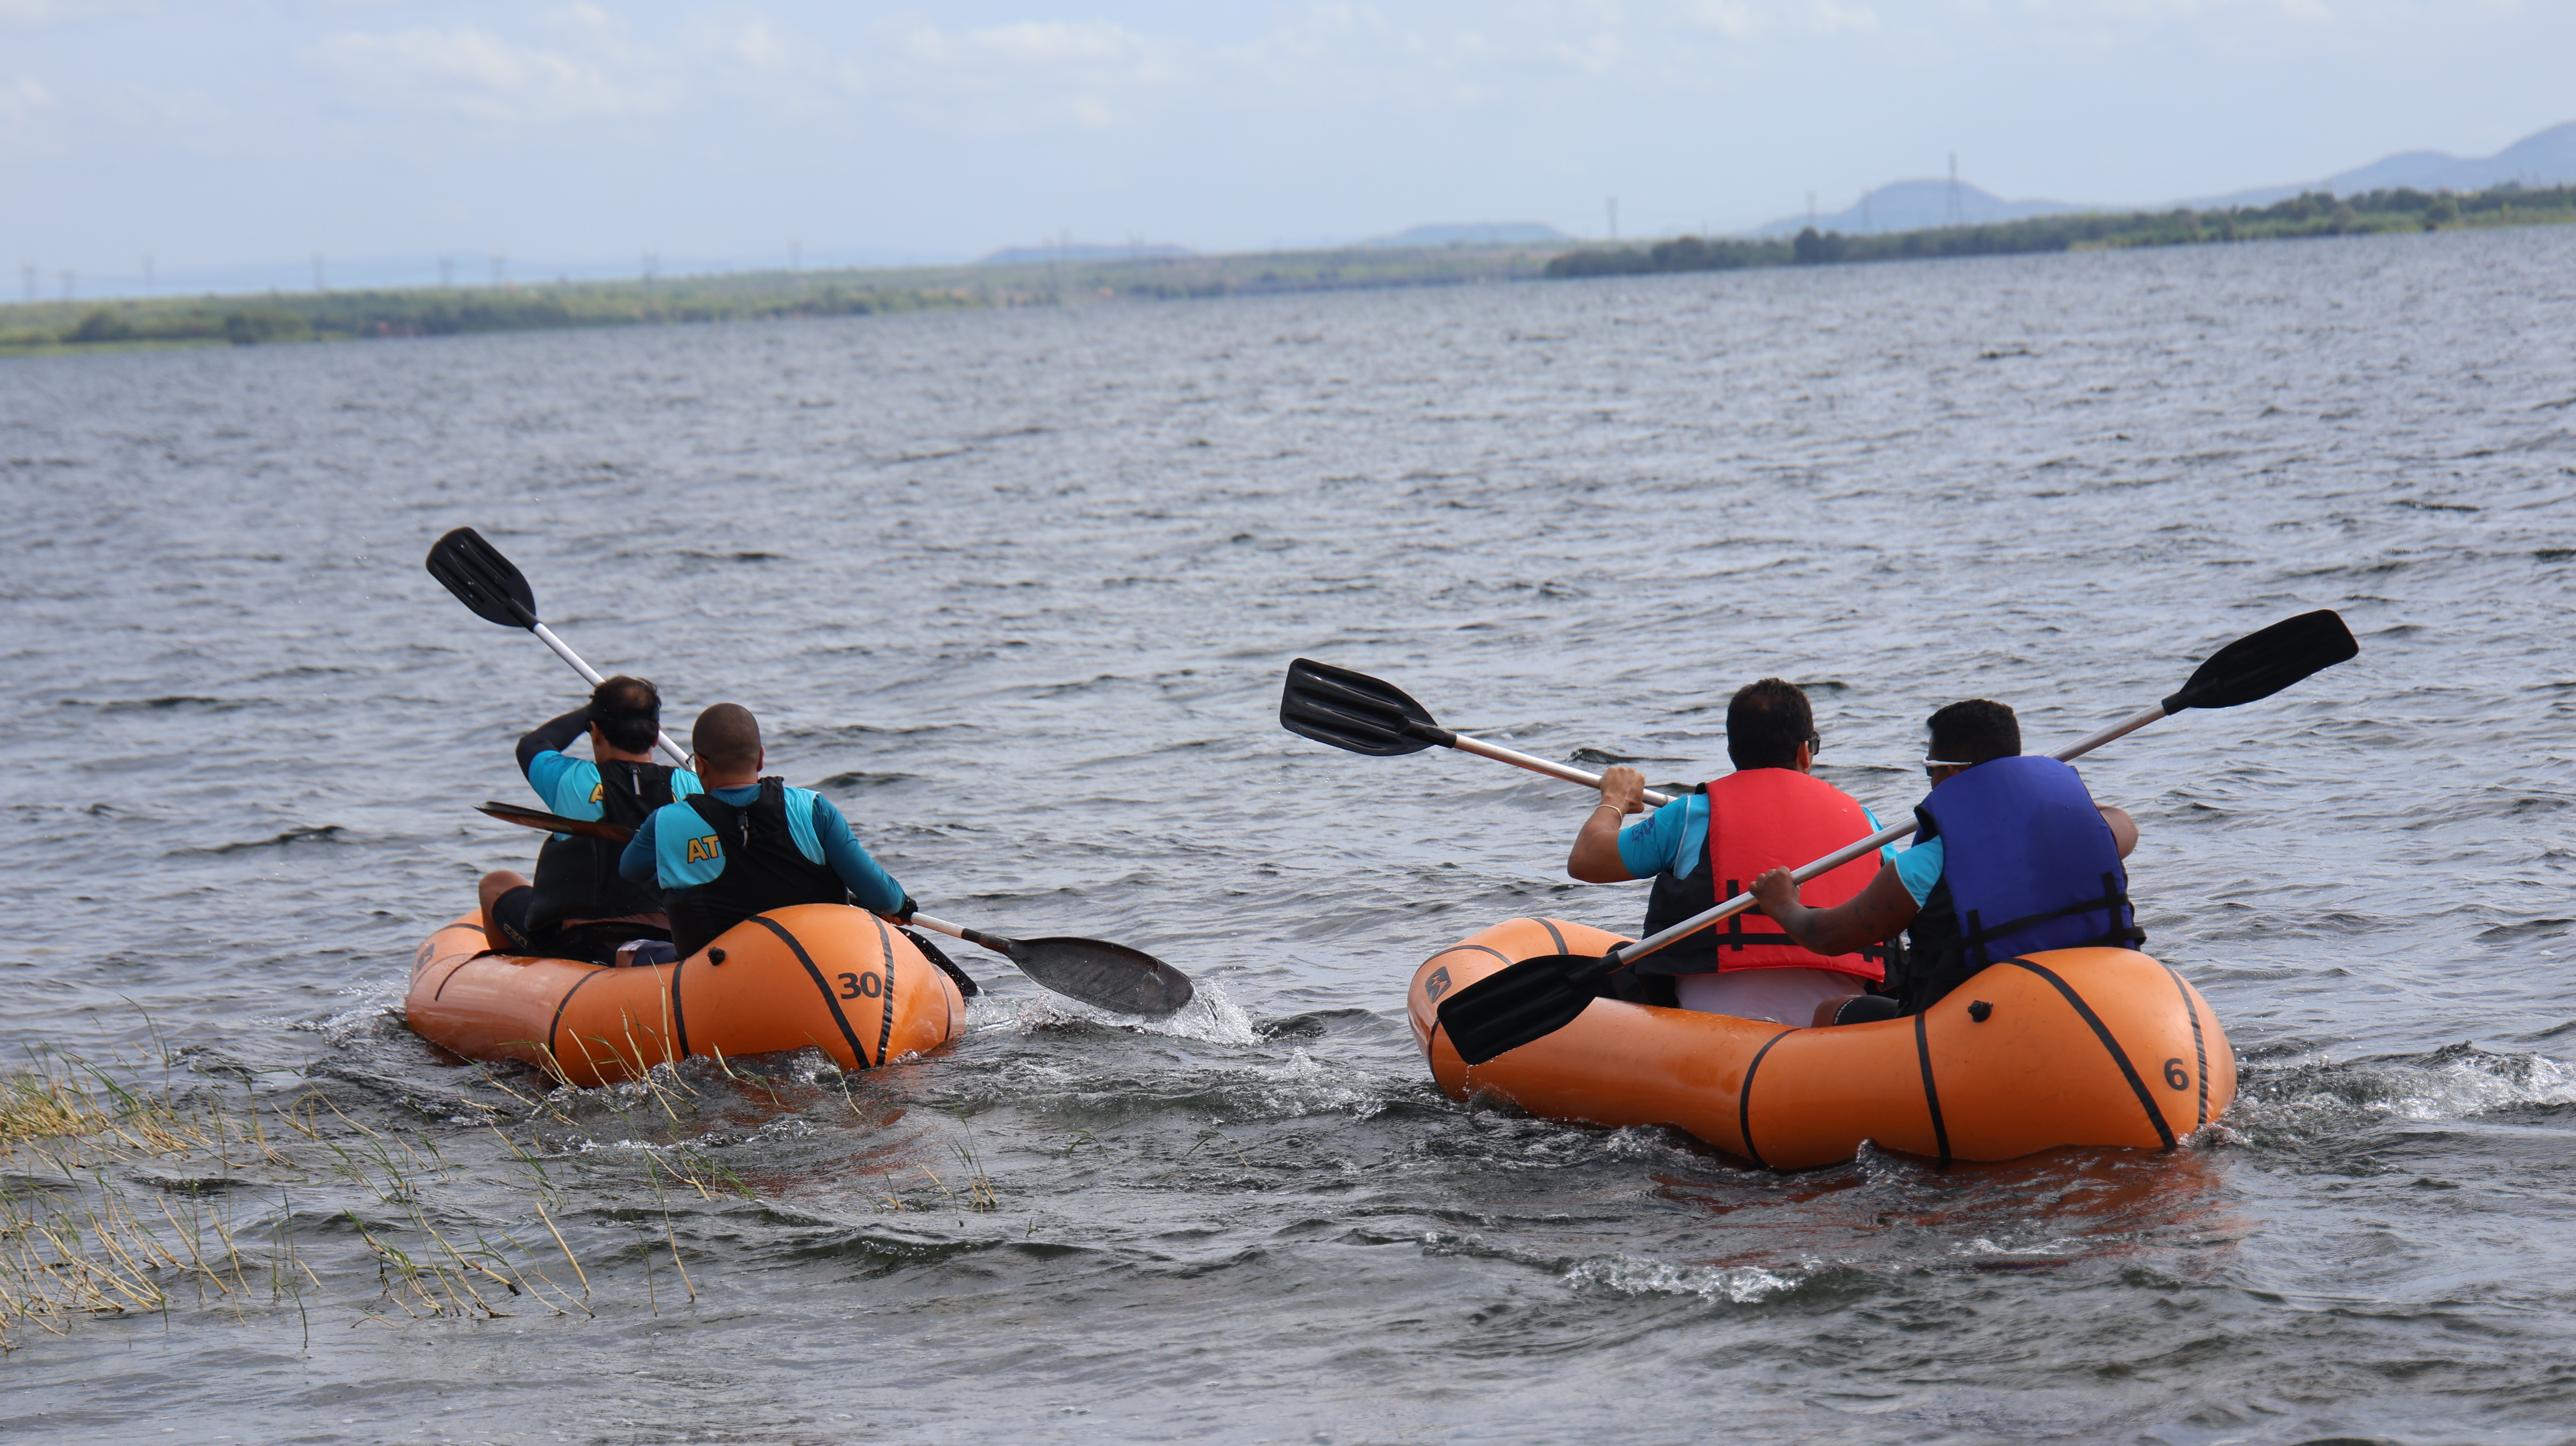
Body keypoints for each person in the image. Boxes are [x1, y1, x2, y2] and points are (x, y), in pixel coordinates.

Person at [1750, 698, 2142, 1021]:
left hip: (1973, 1023)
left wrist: (1782, 903)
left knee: (1831, 1012)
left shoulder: (1924, 866)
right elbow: (2123, 825)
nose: (1931, 779)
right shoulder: (2101, 832)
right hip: (2091, 1002)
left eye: (1931, 769)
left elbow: (1826, 935)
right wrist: (2038, 797)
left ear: (1951, 773)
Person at [1567, 678, 1899, 1024]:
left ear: (1733, 752)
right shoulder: (1867, 824)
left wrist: (1615, 799)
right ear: (1805, 751)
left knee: (1618, 961)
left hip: (1715, 1025)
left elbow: (1586, 859)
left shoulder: (1687, 817)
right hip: (1843, 1023)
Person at [618, 702, 913, 959]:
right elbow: (882, 899)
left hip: (717, 973)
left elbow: (630, 870)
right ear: (760, 758)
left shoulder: (665, 822)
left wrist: (683, 870)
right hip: (823, 962)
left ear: (701, 766)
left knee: (630, 954)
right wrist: (901, 903)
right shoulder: (813, 809)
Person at [479, 676, 700, 964]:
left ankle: (512, 977)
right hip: (672, 937)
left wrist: (593, 711)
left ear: (595, 731)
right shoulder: (692, 786)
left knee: (496, 884)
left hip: (579, 943)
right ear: (657, 735)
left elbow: (534, 744)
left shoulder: (569, 780)